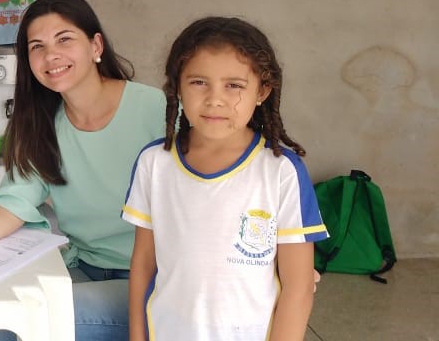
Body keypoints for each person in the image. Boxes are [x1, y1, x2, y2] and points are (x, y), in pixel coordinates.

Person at [0, 0, 165, 341]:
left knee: (25, 322)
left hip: (147, 280)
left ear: (96, 45)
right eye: (36, 46)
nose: (50, 55)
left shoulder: (153, 108)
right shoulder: (40, 123)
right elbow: (14, 201)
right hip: (82, 268)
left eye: (64, 40)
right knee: (6, 315)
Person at [122, 17, 328, 341]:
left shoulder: (280, 171)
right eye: (199, 82)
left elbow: (299, 288)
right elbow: (143, 263)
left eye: (234, 85)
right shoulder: (155, 164)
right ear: (177, 85)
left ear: (262, 91)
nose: (215, 99)